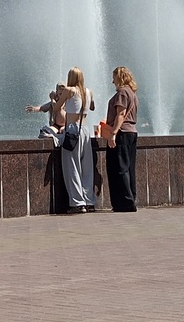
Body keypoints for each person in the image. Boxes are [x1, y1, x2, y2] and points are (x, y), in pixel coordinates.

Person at [25, 68, 97, 211]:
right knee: (87, 167)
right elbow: (92, 107)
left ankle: (78, 203)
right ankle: (89, 201)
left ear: (71, 77)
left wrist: (53, 97)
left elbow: (57, 107)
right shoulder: (88, 91)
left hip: (72, 130)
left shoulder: (69, 90)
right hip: (85, 130)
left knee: (72, 166)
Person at [104, 66, 140, 213]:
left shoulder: (122, 93)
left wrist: (113, 133)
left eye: (114, 77)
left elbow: (120, 114)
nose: (112, 81)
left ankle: (125, 202)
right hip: (131, 132)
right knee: (128, 168)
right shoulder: (132, 93)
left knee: (119, 168)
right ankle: (129, 199)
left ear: (119, 77)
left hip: (122, 133)